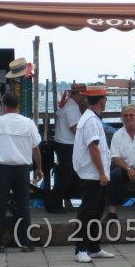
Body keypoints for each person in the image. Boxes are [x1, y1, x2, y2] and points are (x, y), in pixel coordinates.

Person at [0, 91, 43, 253]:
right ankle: (26, 242)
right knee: (23, 205)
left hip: (4, 169)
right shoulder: (28, 123)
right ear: (18, 106)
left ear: (3, 105)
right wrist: (39, 168)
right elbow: (36, 148)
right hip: (22, 169)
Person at [72, 86, 115, 263]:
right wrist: (102, 173)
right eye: (105, 98)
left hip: (96, 173)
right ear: (102, 100)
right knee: (87, 212)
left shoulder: (93, 119)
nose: (106, 101)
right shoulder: (90, 121)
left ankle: (93, 246)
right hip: (92, 174)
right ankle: (80, 249)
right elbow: (93, 148)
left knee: (96, 211)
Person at [47, 83, 86, 213]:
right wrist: (86, 139)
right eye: (83, 96)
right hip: (67, 144)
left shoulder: (68, 105)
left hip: (62, 143)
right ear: (79, 95)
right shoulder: (72, 108)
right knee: (65, 176)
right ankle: (54, 203)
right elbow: (75, 128)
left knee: (68, 175)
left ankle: (61, 201)